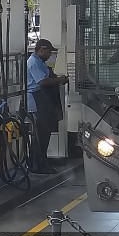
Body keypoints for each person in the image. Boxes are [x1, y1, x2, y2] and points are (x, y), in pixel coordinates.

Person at [27, 39, 68, 174]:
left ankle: (40, 162)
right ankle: (37, 165)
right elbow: (43, 82)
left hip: (44, 100)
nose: (50, 55)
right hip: (38, 100)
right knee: (41, 134)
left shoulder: (40, 62)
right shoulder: (34, 62)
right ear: (41, 50)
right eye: (49, 51)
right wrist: (60, 80)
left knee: (45, 133)